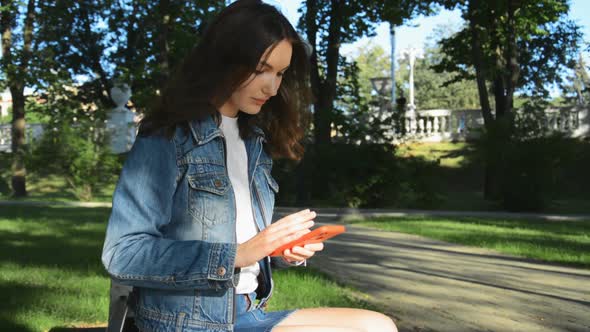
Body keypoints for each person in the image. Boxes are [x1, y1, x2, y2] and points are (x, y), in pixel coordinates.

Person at [101, 1, 397, 331]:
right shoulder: (168, 137)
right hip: (185, 322)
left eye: (280, 74)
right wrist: (238, 255)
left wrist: (280, 250)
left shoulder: (254, 140)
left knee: (374, 325)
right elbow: (122, 253)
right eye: (261, 70)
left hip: (246, 314)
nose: (272, 88)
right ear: (224, 61)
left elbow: (244, 245)